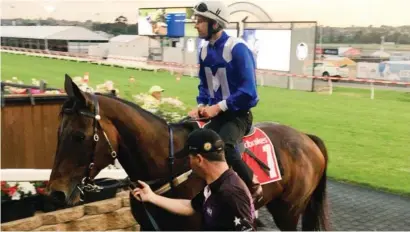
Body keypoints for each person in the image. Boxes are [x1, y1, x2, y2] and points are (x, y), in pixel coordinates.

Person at [187, 0, 262, 203]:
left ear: (215, 23)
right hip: (216, 114)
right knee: (186, 134)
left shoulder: (237, 48)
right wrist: (202, 104)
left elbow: (250, 93)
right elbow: (204, 84)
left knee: (225, 147)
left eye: (200, 21)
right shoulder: (203, 50)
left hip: (238, 115)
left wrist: (218, 107)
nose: (196, 25)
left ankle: (252, 186)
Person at [131, 129, 256, 231]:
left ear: (199, 159)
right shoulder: (215, 185)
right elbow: (190, 206)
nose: (189, 163)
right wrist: (151, 197)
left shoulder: (230, 193)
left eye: (189, 158)